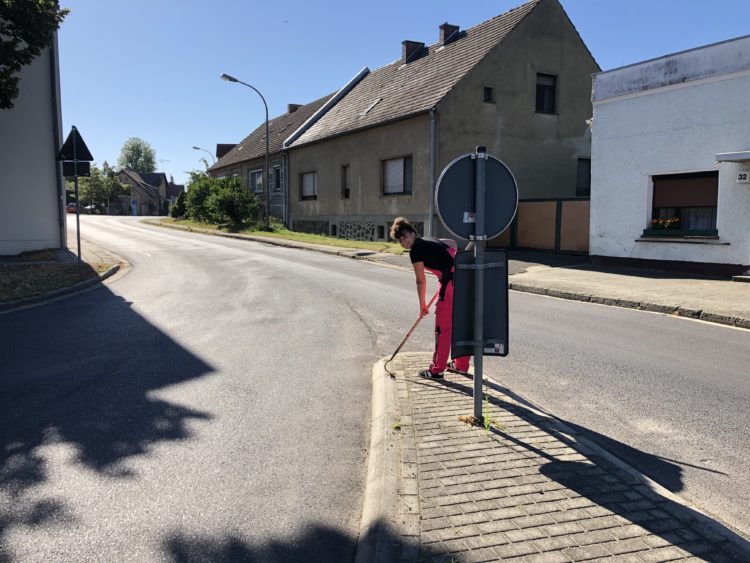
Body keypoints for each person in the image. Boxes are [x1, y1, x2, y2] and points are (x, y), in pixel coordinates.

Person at [390, 217, 471, 379]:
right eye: (400, 240)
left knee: (442, 329)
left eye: (405, 236)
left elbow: (420, 280)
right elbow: (452, 245)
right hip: (466, 281)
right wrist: (444, 279)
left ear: (412, 232)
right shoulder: (429, 240)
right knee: (460, 325)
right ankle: (461, 365)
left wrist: (422, 305)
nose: (404, 241)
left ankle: (436, 370)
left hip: (451, 285)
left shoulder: (416, 250)